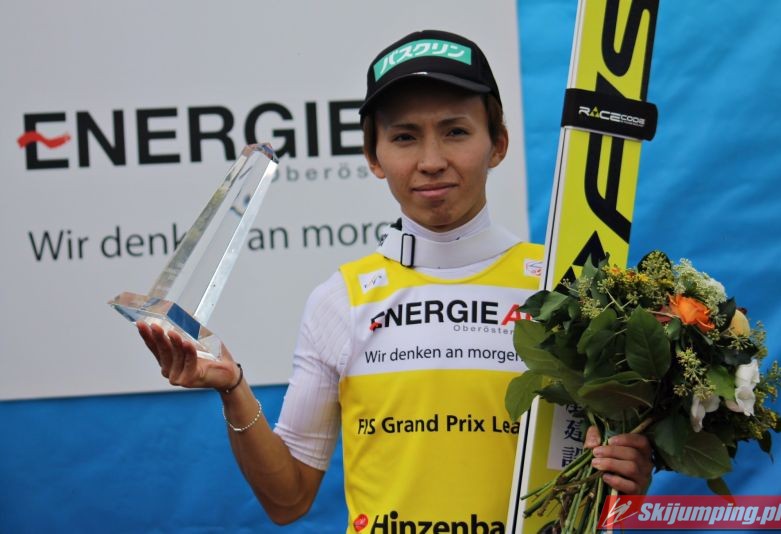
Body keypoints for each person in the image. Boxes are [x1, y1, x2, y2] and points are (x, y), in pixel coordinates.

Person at [137, 29, 653, 533]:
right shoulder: (340, 300)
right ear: (373, 156)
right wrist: (233, 388)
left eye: (455, 132)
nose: (431, 162)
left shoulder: (564, 289)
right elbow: (288, 500)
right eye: (404, 137)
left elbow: (602, 477)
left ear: (498, 144)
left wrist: (627, 469)